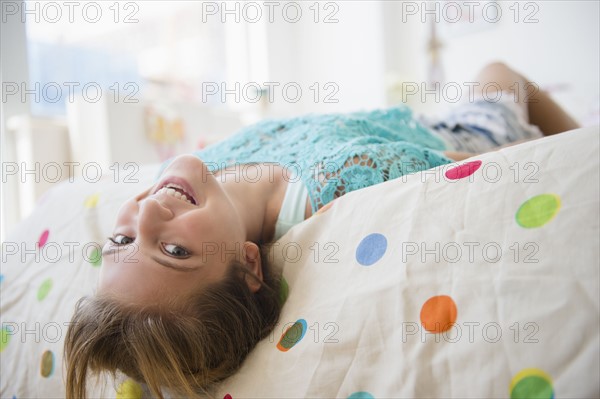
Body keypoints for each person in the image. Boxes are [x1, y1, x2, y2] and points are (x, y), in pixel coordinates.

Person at [63, 62, 579, 399]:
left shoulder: (175, 187)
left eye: (123, 241)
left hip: (385, 119)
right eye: (174, 250)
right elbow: (487, 167)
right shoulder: (345, 182)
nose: (148, 216)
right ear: (247, 263)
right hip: (444, 136)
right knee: (500, 75)